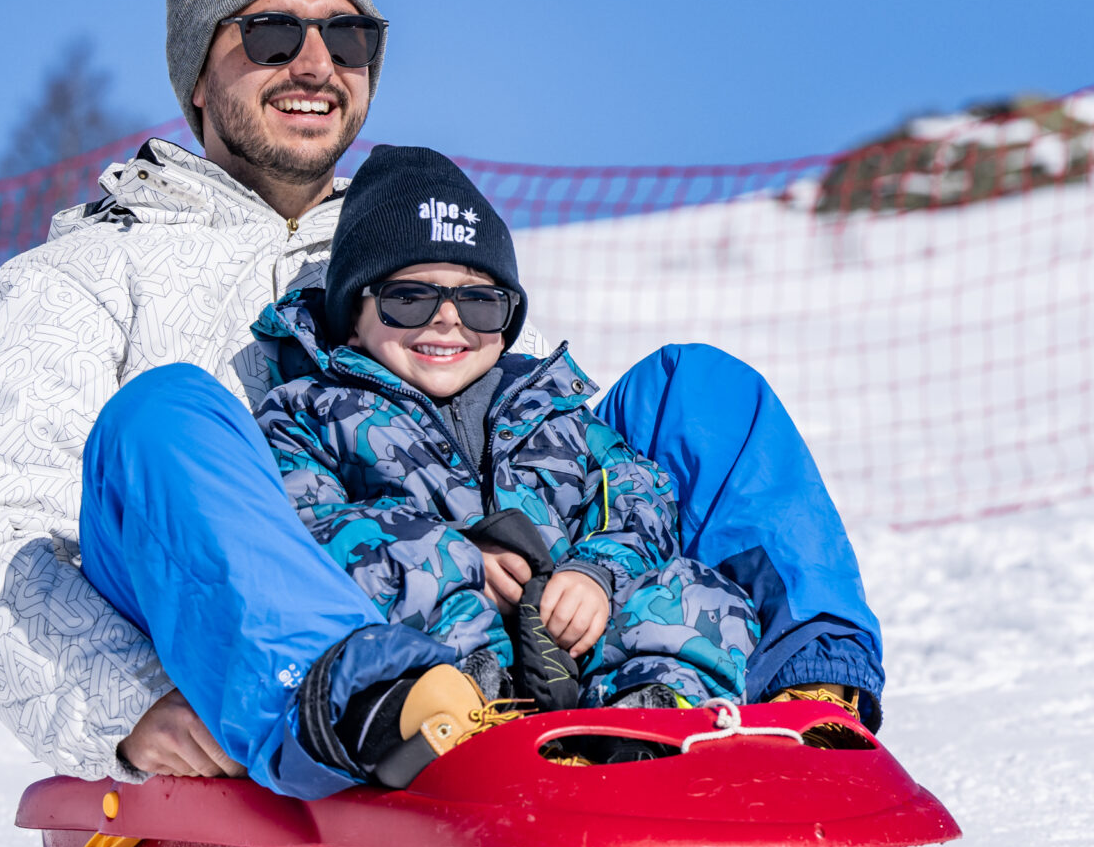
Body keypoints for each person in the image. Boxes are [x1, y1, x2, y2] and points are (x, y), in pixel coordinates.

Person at [0, 0, 884, 801]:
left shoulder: (416, 252)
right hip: (272, 681)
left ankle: (801, 714)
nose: (316, 65)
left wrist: (577, 581)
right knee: (165, 412)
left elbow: (558, 460)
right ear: (199, 67)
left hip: (496, 666)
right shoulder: (83, 280)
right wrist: (123, 707)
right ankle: (366, 708)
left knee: (697, 390)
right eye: (272, 32)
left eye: (349, 37)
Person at [248, 145, 759, 784]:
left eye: (480, 302)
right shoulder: (309, 412)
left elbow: (641, 497)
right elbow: (308, 526)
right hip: (438, 665)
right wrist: (461, 556)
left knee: (693, 589)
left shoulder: (551, 411)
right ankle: (469, 718)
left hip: (565, 651)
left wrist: (596, 574)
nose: (447, 320)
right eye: (409, 299)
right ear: (353, 314)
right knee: (415, 569)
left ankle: (651, 731)